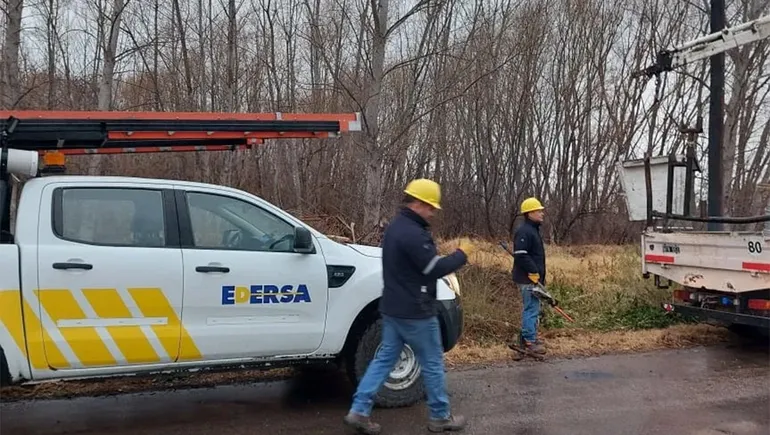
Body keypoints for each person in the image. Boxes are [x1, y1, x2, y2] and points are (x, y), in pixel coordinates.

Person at [343, 178, 476, 435]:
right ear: (417, 203)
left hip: (392, 307)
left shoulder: (395, 228)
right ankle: (440, 416)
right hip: (415, 312)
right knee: (433, 362)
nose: (433, 212)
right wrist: (461, 255)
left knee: (383, 360)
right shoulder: (414, 234)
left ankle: (359, 410)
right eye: (430, 207)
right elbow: (432, 269)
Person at [511, 197, 547, 355]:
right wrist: (533, 271)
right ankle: (529, 342)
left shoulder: (532, 230)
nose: (542, 213)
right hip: (527, 278)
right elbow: (521, 255)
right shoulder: (525, 231)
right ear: (529, 213)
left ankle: (530, 337)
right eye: (538, 211)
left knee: (534, 308)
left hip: (534, 277)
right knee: (531, 308)